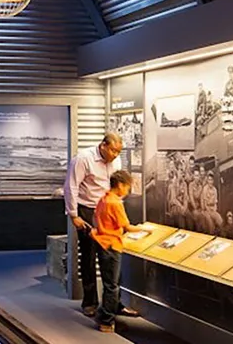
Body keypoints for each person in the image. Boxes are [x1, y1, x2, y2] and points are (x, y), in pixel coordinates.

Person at [63, 133, 138, 318]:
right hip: (87, 210)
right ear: (103, 145)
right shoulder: (83, 159)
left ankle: (114, 304)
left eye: (118, 151)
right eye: (113, 150)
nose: (115, 155)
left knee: (111, 259)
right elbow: (71, 186)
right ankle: (89, 302)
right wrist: (73, 215)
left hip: (108, 210)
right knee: (88, 256)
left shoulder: (116, 161)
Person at [91, 171, 145, 333]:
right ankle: (106, 320)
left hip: (103, 244)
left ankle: (107, 311)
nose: (128, 191)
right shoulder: (115, 203)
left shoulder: (103, 199)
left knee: (111, 282)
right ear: (121, 185)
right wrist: (145, 229)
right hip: (111, 245)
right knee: (112, 285)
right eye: (128, 187)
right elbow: (126, 226)